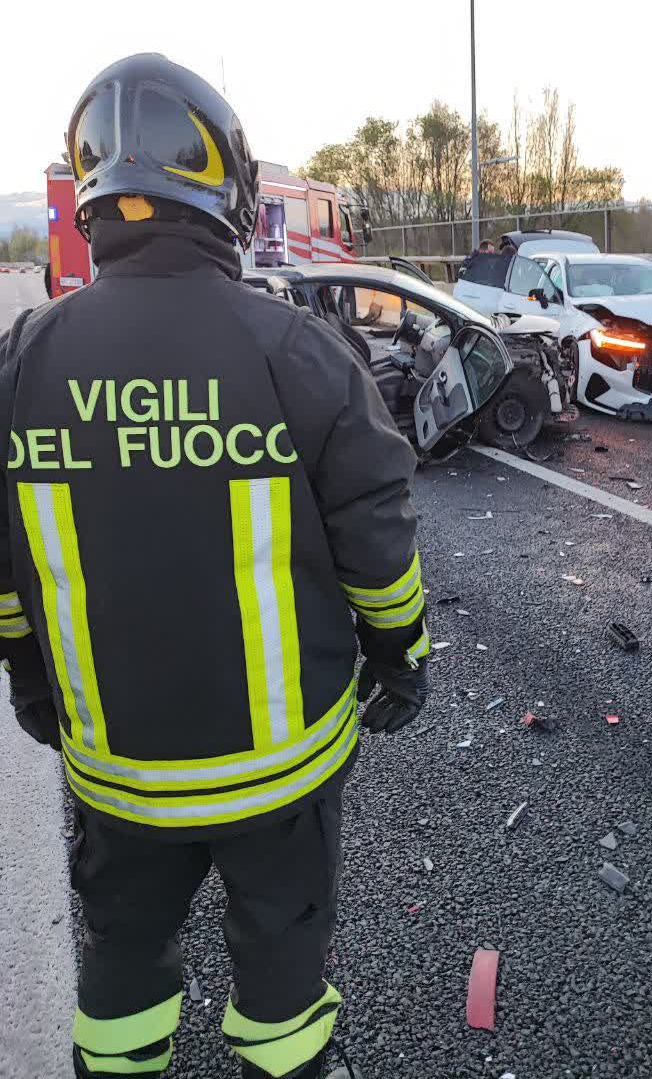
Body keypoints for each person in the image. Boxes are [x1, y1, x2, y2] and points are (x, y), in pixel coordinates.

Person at [0, 53, 432, 1079]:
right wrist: (404, 658)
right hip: (280, 773)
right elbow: (378, 539)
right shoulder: (298, 348)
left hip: (119, 774)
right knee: (282, 979)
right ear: (227, 192)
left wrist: (28, 683)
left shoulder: (23, 360)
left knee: (121, 979)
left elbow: (4, 572)